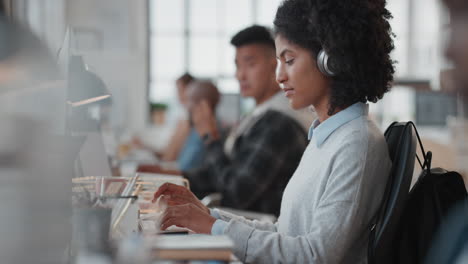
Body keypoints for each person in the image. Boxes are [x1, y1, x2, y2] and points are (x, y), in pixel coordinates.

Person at [153, 0, 395, 263]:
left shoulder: (356, 144)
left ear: (330, 61)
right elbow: (285, 232)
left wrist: (212, 226)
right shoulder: (326, 137)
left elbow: (315, 255)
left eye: (289, 60)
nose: (279, 76)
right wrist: (210, 216)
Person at [185, 25, 310, 216]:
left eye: (250, 64)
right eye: (237, 65)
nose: (240, 75)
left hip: (260, 233)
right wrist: (168, 179)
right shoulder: (258, 116)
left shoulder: (278, 122)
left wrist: (210, 138)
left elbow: (236, 194)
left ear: (275, 67)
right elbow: (219, 173)